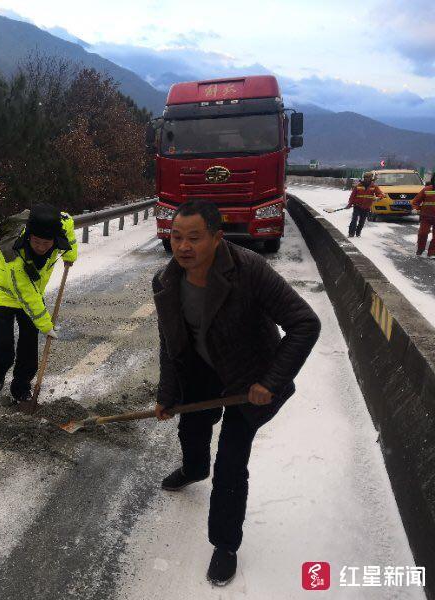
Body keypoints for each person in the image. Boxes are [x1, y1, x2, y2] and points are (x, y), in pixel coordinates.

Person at [151, 199, 320, 586]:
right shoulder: (165, 280)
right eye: (177, 237)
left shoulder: (249, 270)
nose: (183, 247)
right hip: (201, 370)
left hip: (249, 379)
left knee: (230, 464)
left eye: (194, 238)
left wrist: (270, 383)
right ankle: (194, 469)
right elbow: (169, 343)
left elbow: (305, 324)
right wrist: (167, 394)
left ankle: (225, 545)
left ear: (217, 238)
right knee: (191, 430)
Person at [0, 204, 77, 404]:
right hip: (4, 294)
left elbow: (68, 222)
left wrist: (71, 254)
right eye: (36, 242)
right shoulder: (15, 256)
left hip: (33, 292)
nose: (40, 247)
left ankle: (21, 385)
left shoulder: (60, 227)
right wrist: (46, 325)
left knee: (29, 344)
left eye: (46, 243)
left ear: (54, 239)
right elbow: (26, 295)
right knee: (3, 343)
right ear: (29, 236)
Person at [346, 172, 384, 237]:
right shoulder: (358, 186)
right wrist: (350, 204)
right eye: (365, 177)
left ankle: (358, 233)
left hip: (366, 207)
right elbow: (352, 196)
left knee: (362, 221)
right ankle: (351, 233)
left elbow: (380, 194)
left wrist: (378, 198)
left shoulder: (374, 187)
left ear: (370, 178)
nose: (366, 179)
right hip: (357, 206)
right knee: (354, 220)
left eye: (367, 177)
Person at [411, 172, 435, 258]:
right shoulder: (426, 190)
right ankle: (420, 249)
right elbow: (416, 201)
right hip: (426, 216)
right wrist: (415, 208)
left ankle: (432, 252)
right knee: (423, 234)